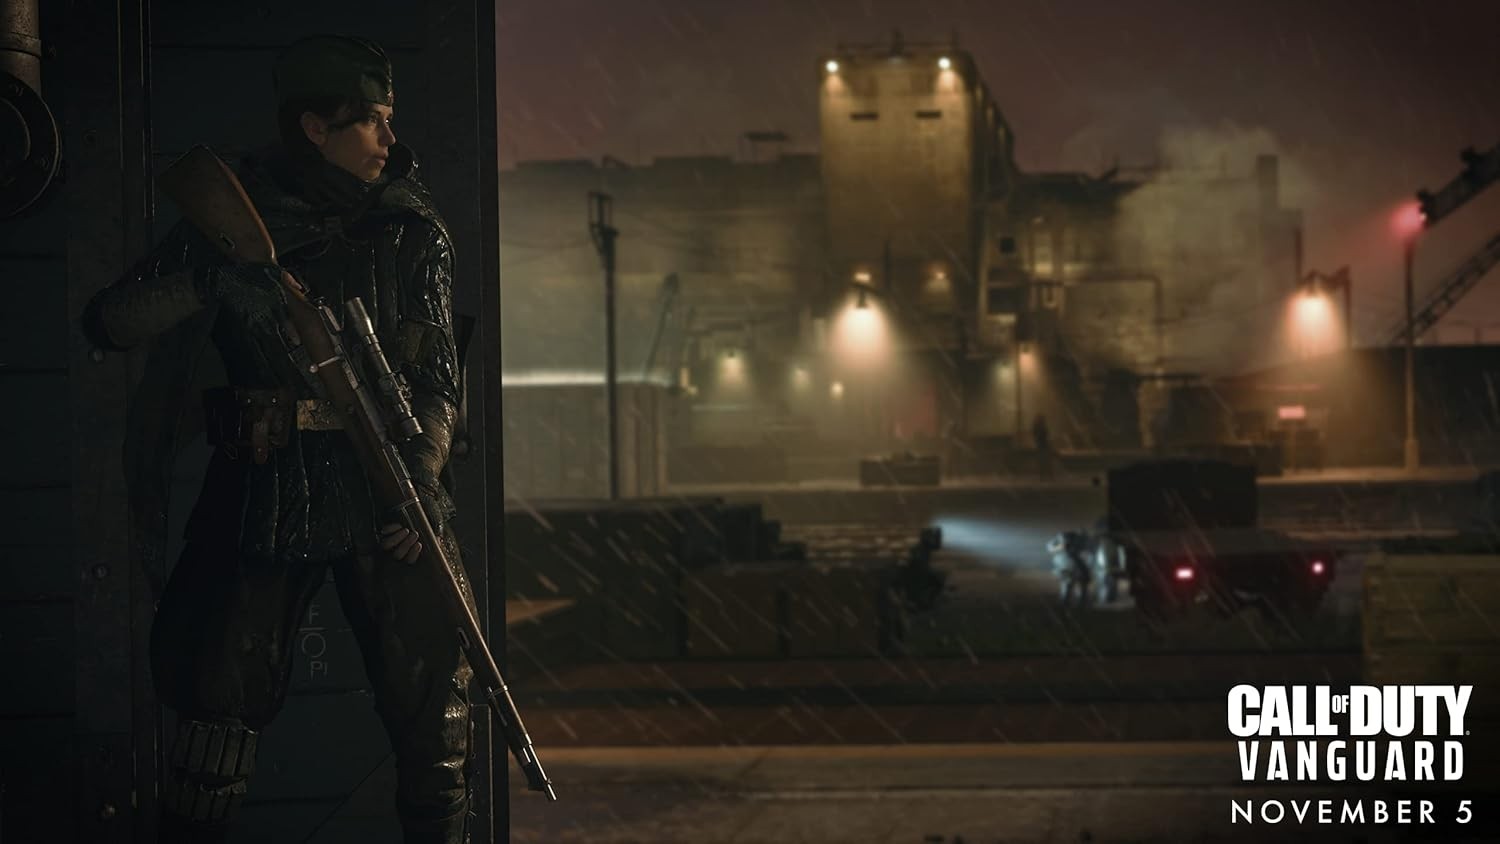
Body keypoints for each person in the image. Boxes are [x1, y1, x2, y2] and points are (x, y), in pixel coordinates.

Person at [81, 35, 472, 844]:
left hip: (383, 483)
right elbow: (111, 321)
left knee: (436, 711)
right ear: (314, 128)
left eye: (389, 117)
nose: (390, 139)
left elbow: (438, 377)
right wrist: (211, 282)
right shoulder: (234, 221)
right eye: (369, 121)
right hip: (263, 486)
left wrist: (424, 476)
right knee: (214, 714)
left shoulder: (409, 228)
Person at [1031, 413, 1053, 480]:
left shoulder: (1040, 427)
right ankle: (1044, 475)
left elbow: (1044, 435)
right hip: (1041, 445)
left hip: (1042, 445)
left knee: (1044, 461)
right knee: (1043, 461)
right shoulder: (1039, 427)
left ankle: (1046, 475)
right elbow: (1037, 435)